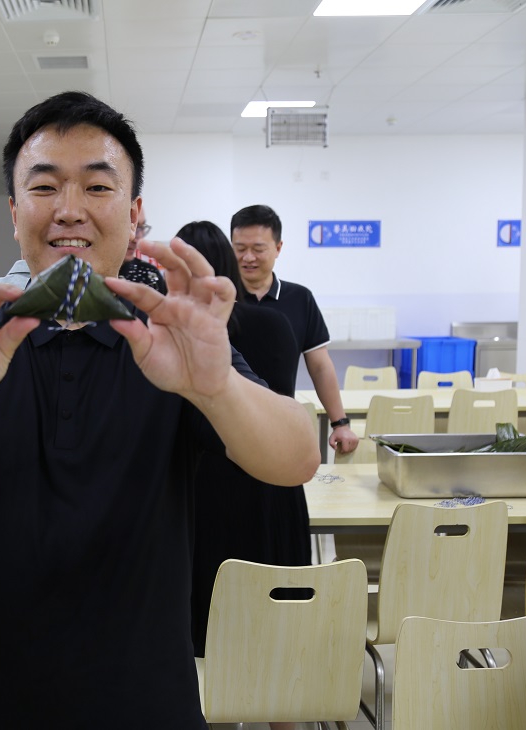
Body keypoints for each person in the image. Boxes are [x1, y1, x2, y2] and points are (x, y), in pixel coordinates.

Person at [0, 91, 319, 729]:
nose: (69, 209)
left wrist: (216, 386)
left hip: (146, 706)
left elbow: (296, 459)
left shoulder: (168, 336)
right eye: (44, 187)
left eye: (97, 186)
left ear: (134, 213)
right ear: (14, 212)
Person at [177, 221, 308, 729]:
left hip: (210, 494)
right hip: (275, 487)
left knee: (215, 638)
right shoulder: (273, 323)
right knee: (277, 633)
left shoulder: (183, 335)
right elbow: (286, 401)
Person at [230, 204, 358, 455]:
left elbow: (320, 365)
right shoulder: (218, 296)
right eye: (240, 248)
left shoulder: (300, 299)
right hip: (225, 425)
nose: (248, 257)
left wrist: (340, 423)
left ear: (278, 248)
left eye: (258, 249)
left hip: (280, 423)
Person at [118, 205, 167, 293]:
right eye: (129, 226)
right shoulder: (91, 273)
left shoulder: (150, 275)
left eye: (141, 227)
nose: (137, 239)